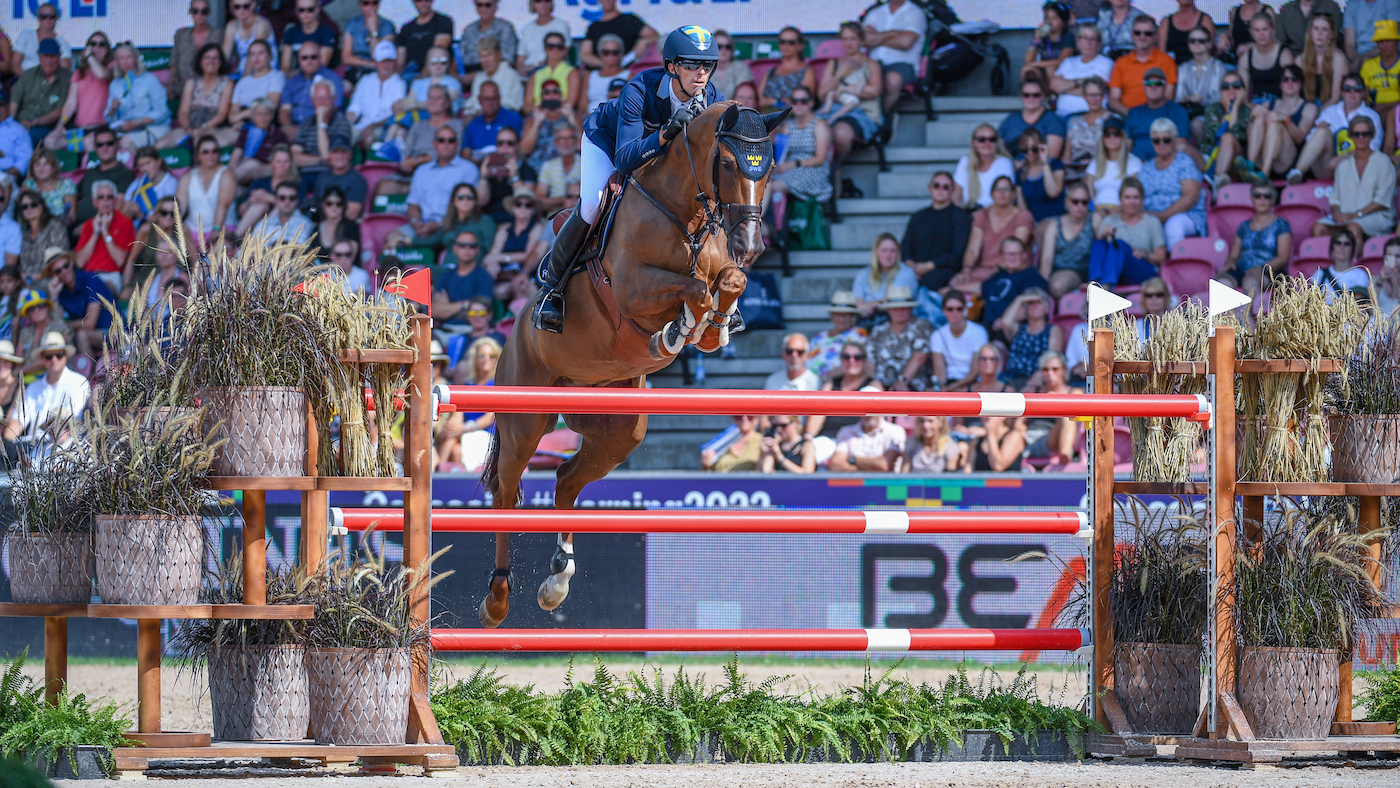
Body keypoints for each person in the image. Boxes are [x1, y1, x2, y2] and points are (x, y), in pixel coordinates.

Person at [535, 25, 724, 334]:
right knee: (593, 205)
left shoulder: (713, 98)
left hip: (657, 158)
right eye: (691, 65)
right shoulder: (639, 89)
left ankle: (724, 296)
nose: (701, 73)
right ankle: (552, 291)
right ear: (672, 66)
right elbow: (624, 158)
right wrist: (666, 133)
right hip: (607, 144)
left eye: (707, 65)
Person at [1311, 115, 1396, 242]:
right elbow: (1335, 199)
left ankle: (1356, 262)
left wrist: (1355, 215)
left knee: (1353, 228)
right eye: (1356, 134)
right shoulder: (1343, 165)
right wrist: (1335, 213)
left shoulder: (1384, 162)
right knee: (1317, 228)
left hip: (1377, 217)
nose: (1361, 138)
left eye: (1365, 134)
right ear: (1350, 136)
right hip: (1347, 217)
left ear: (1372, 135)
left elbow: (1381, 200)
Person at [1291, 72, 1382, 182]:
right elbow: (1310, 140)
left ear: (1363, 92)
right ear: (1342, 92)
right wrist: (1322, 131)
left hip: (1357, 168)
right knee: (1322, 131)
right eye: (1347, 88)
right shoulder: (1330, 112)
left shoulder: (1372, 116)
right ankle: (1297, 172)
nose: (1352, 92)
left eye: (1357, 88)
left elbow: (1373, 148)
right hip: (1327, 166)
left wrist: (1343, 157)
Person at [951, 176, 1034, 295]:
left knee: (961, 288)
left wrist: (992, 274)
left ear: (1013, 194)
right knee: (954, 284)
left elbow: (1015, 252)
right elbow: (973, 249)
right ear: (991, 194)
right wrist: (966, 270)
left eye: (1006, 189)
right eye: (997, 189)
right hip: (984, 269)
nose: (1002, 193)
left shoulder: (1023, 216)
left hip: (1012, 270)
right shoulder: (981, 215)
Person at [403, 125, 481, 243]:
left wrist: (439, 224)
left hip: (452, 225)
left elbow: (467, 205)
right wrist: (415, 222)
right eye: (441, 140)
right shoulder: (421, 171)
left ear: (457, 144)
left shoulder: (469, 169)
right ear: (434, 143)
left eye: (451, 140)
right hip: (421, 224)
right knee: (392, 237)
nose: (446, 144)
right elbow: (413, 203)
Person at [801, 340, 883, 449]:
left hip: (858, 440)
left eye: (857, 357)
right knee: (810, 450)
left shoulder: (873, 385)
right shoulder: (831, 383)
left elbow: (880, 419)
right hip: (828, 439)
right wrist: (808, 437)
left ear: (864, 360)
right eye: (846, 357)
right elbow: (818, 413)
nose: (851, 361)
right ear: (841, 360)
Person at [902, 171, 972, 294]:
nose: (940, 190)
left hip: (944, 271)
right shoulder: (918, 216)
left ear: (953, 190)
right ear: (930, 188)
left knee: (929, 282)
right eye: (936, 185)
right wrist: (910, 266)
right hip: (915, 270)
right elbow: (905, 245)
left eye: (945, 187)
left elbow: (958, 253)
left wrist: (929, 266)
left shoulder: (960, 216)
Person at [387, 182, 494, 261]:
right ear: (454, 201)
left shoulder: (484, 220)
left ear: (475, 201)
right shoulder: (449, 222)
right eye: (460, 197)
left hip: (473, 267)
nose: (465, 200)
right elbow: (431, 241)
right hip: (447, 267)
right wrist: (402, 239)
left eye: (470, 197)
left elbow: (486, 248)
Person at [1140, 117, 1205, 246]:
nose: (1161, 144)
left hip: (1185, 215)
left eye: (1166, 140)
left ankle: (1175, 264)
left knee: (1173, 225)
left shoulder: (1184, 162)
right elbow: (1139, 196)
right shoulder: (1146, 167)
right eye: (1156, 140)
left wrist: (1164, 216)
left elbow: (1191, 196)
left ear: (1175, 140)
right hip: (1153, 217)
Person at [1247, 65, 1317, 180]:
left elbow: (1299, 138)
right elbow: (1250, 132)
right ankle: (1250, 166)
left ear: (1301, 84)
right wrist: (1252, 116)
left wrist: (1285, 119)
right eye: (1285, 79)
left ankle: (1264, 174)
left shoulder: (1309, 108)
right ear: (1279, 84)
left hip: (1286, 161)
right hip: (1262, 157)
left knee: (1275, 124)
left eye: (1294, 79)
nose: (1290, 83)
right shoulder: (1268, 105)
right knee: (1258, 117)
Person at [158, 43, 234, 150]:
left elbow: (222, 114)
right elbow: (183, 112)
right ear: (200, 61)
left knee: (199, 143)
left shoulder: (227, 83)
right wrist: (188, 128)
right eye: (207, 58)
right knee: (160, 145)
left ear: (221, 62)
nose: (211, 62)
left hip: (213, 126)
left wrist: (203, 128)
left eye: (215, 58)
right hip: (190, 125)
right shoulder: (192, 82)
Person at [46, 31, 110, 152]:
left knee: (89, 143)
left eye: (102, 44)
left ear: (107, 49)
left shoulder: (111, 67)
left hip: (102, 129)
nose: (97, 47)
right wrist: (60, 125)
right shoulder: (79, 73)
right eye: (93, 44)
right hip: (80, 130)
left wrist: (89, 55)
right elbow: (71, 103)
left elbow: (101, 75)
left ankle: (89, 169)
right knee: (50, 141)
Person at [1224, 183, 1293, 295]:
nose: (1262, 199)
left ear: (1273, 199)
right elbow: (1233, 255)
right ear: (1252, 199)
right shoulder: (1244, 226)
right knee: (1222, 283)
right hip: (1242, 269)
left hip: (1270, 272)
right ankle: (1233, 313)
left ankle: (1251, 313)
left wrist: (1261, 269)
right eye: (1257, 195)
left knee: (1250, 283)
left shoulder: (1281, 224)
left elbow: (1283, 257)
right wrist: (1230, 262)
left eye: (1267, 196)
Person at [19, 331, 88, 444]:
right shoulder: (32, 388)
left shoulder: (79, 382)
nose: (54, 359)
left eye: (59, 355)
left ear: (65, 355)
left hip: (66, 447)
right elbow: (18, 420)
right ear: (42, 358)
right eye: (49, 356)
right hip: (33, 448)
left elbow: (71, 423)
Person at [769, 85, 832, 208]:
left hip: (813, 170)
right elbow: (783, 155)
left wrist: (794, 164)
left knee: (774, 186)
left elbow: (820, 159)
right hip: (790, 168)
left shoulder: (819, 124)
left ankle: (772, 224)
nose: (799, 104)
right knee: (763, 183)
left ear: (811, 103)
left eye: (804, 101)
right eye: (794, 101)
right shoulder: (788, 125)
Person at [42, 248, 110, 362]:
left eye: (66, 265)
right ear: (52, 275)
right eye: (58, 271)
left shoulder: (90, 280)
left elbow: (89, 323)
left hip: (115, 332)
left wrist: (66, 325)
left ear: (71, 263)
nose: (64, 271)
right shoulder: (61, 291)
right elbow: (56, 321)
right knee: (61, 338)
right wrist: (54, 296)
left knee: (81, 335)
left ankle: (88, 377)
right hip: (93, 334)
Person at [863, 0, 927, 116]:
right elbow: (864, 39)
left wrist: (877, 37)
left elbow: (905, 43)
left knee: (892, 80)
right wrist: (892, 33)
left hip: (903, 63)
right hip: (874, 62)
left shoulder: (915, 13)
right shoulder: (875, 13)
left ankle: (883, 119)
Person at [104, 44, 171, 153]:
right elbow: (109, 118)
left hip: (153, 128)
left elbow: (162, 112)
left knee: (125, 143)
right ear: (117, 62)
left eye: (129, 57)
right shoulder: (115, 84)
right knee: (106, 143)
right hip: (126, 131)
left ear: (135, 59)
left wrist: (136, 123)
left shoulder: (150, 79)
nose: (125, 61)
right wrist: (113, 109)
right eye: (122, 58)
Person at [1097, 177, 1167, 279]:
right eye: (1127, 197)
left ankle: (1105, 286)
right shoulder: (1110, 221)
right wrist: (1102, 236)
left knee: (1120, 245)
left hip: (1142, 270)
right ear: (1120, 199)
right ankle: (1095, 282)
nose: (1131, 202)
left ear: (1142, 199)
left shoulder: (1152, 222)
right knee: (1098, 244)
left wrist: (1145, 254)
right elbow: (1100, 253)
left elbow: (1161, 257)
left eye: (1136, 197)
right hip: (1118, 273)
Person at [866, 286, 932, 391]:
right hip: (881, 386)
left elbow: (920, 356)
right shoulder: (879, 330)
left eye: (903, 307)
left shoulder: (921, 326)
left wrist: (903, 381)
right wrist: (873, 381)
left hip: (912, 386)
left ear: (910, 308)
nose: (899, 311)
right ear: (888, 309)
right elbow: (870, 360)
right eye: (895, 308)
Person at [1109, 15, 1178, 115]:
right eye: (1138, 33)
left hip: (1158, 116)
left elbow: (1168, 96)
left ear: (1155, 36)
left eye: (1147, 33)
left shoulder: (1166, 61)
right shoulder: (1121, 62)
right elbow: (1113, 99)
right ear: (1132, 35)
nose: (1142, 37)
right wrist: (1131, 115)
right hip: (1127, 116)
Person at [1040, 182, 1098, 298]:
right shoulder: (1054, 225)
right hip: (1058, 271)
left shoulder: (1094, 220)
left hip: (1082, 272)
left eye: (1084, 202)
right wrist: (1043, 287)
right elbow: (1046, 259)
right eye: (1075, 201)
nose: (1080, 206)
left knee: (1058, 285)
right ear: (1067, 201)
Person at [73, 180, 132, 293]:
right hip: (88, 275)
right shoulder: (88, 225)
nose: (105, 201)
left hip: (111, 276)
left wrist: (105, 232)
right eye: (101, 197)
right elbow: (80, 263)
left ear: (115, 201)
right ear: (95, 202)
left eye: (109, 197)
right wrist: (96, 232)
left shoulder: (125, 222)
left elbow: (120, 261)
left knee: (100, 290)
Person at [1022, 350, 1082, 460]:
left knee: (1067, 417)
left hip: (1055, 438)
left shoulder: (1074, 392)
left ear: (1064, 370)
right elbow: (1019, 423)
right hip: (1031, 438)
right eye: (1045, 369)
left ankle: (1065, 454)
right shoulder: (1035, 392)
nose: (1050, 373)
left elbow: (1078, 420)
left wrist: (1057, 402)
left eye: (1055, 369)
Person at [999, 288, 1064, 387]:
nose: (1034, 306)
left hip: (1037, 380)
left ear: (1046, 309)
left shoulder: (1053, 330)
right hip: (1011, 379)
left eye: (1039, 302)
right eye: (1030, 303)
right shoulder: (1018, 328)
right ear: (1025, 309)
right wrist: (1020, 299)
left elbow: (1053, 357)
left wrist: (1040, 374)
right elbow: (1005, 322)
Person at [1125, 67, 1193, 162]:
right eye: (1149, 83)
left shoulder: (1178, 111)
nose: (1153, 87)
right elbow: (1127, 146)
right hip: (1137, 166)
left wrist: (1153, 165)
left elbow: (1180, 147)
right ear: (1143, 87)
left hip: (1167, 164)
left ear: (1165, 87)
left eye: (1158, 83)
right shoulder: (1134, 113)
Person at [11, 38, 69, 149]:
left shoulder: (67, 78)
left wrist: (34, 122)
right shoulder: (27, 75)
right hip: (21, 123)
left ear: (59, 56)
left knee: (26, 137)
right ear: (39, 56)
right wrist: (10, 126)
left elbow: (61, 110)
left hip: (47, 126)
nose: (49, 60)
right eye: (45, 56)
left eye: (53, 56)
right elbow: (14, 104)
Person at [432, 228, 496, 329]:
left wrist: (447, 307)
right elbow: (434, 311)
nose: (467, 249)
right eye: (462, 245)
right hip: (444, 330)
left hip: (472, 331)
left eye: (472, 246)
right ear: (455, 249)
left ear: (477, 250)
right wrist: (464, 304)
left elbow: (479, 315)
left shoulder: (484, 277)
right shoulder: (445, 277)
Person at [279, 41, 343, 140]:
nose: (309, 61)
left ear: (320, 58)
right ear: (299, 60)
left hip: (318, 127)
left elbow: (333, 108)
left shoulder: (332, 78)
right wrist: (288, 127)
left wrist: (309, 128)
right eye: (304, 58)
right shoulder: (292, 81)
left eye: (313, 57)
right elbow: (284, 109)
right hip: (293, 127)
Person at [176, 134, 236, 237]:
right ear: (198, 155)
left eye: (214, 151)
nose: (210, 155)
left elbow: (223, 204)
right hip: (192, 232)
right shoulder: (188, 176)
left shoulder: (227, 174)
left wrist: (216, 230)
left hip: (222, 230)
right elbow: (179, 207)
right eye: (205, 152)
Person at [291, 81, 354, 177]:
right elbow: (294, 158)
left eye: (326, 98)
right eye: (318, 99)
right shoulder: (306, 123)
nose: (322, 102)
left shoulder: (342, 123)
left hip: (331, 175)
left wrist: (321, 123)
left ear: (334, 99)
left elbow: (328, 156)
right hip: (304, 175)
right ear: (312, 100)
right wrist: (320, 159)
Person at [484, 186, 545, 284]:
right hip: (503, 272)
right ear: (513, 207)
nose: (523, 208)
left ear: (533, 209)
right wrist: (493, 264)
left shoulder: (537, 228)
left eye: (528, 205)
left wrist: (502, 258)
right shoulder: (505, 228)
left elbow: (529, 255)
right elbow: (493, 254)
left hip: (524, 273)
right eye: (518, 204)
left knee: (502, 291)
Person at [1202, 72, 1254, 188]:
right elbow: (1215, 136)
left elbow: (1238, 135)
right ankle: (1218, 180)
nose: (1231, 89)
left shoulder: (1248, 111)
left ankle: (1216, 184)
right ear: (1221, 90)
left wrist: (1234, 108)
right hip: (1212, 157)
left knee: (1228, 137)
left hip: (1238, 162)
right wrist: (1227, 111)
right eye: (1226, 86)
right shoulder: (1213, 108)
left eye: (1236, 85)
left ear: (1243, 90)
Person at [931, 290, 990, 389]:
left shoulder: (979, 332)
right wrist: (942, 388)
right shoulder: (937, 335)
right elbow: (939, 372)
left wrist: (954, 387)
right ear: (943, 310)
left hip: (974, 383)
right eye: (950, 309)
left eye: (959, 309)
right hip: (949, 382)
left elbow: (975, 371)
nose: (955, 313)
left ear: (965, 309)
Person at [1051, 24, 1114, 117]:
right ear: (1078, 41)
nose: (1088, 42)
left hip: (1089, 114)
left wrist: (1064, 89)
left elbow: (1095, 90)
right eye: (1085, 38)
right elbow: (1053, 85)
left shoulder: (1105, 62)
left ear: (1098, 43)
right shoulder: (1069, 61)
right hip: (1061, 114)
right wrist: (1080, 82)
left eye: (1093, 38)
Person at [235, 144, 298, 237]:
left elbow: (298, 209)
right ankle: (235, 237)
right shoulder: (260, 182)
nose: (282, 165)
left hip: (280, 228)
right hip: (253, 224)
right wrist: (250, 202)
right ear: (272, 162)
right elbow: (241, 210)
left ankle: (255, 241)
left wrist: (272, 199)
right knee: (260, 205)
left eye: (286, 162)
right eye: (278, 162)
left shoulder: (297, 184)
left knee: (277, 207)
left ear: (291, 163)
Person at [73, 126, 131, 225]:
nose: (105, 148)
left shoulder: (125, 173)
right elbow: (74, 194)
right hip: (76, 225)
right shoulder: (91, 172)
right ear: (96, 148)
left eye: (109, 143)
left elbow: (118, 209)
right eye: (100, 145)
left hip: (101, 227)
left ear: (117, 145)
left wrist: (90, 227)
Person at [1000, 74, 1066, 160]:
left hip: (1038, 169)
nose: (1031, 98)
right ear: (1021, 96)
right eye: (1026, 95)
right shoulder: (1011, 119)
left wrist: (1022, 165)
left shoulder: (1053, 120)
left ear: (1043, 96)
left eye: (1036, 95)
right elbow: (998, 147)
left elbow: (1052, 156)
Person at [854, 233, 919, 319]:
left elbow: (890, 301)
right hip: (866, 321)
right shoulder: (863, 273)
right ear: (876, 252)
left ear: (898, 253)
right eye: (884, 250)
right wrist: (875, 304)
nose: (888, 255)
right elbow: (857, 304)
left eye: (893, 251)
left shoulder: (906, 272)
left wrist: (867, 305)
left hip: (896, 320)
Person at [1175, 22, 1229, 127]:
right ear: (1188, 44)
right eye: (1192, 41)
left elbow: (1219, 98)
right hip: (1188, 112)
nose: (1196, 43)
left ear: (1209, 44)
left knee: (1197, 124)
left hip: (1212, 113)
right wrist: (1188, 98)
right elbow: (1178, 97)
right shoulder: (1183, 68)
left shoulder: (1218, 67)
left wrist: (1201, 99)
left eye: (1201, 41)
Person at [806, 291, 868, 380]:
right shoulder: (819, 337)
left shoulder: (858, 334)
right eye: (838, 314)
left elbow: (858, 364)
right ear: (832, 315)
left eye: (846, 315)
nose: (841, 318)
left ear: (853, 316)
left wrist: (825, 378)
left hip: (836, 384)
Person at [952, 123, 1016, 209]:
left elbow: (1006, 197)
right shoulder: (965, 162)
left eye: (992, 139)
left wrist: (981, 216)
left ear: (996, 143)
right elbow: (956, 196)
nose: (987, 143)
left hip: (995, 215)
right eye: (982, 139)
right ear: (974, 143)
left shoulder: (1004, 163)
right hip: (967, 213)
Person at [579, 0, 657, 70]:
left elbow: (654, 36)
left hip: (628, 71)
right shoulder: (594, 27)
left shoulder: (630, 20)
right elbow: (585, 55)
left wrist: (644, 42)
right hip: (601, 73)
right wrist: (608, 64)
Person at [227, 99, 287, 185]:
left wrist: (255, 164)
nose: (262, 118)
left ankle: (224, 185)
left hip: (266, 170)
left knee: (251, 164)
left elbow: (281, 162)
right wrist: (230, 170)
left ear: (272, 115)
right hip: (244, 172)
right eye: (258, 114)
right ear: (253, 116)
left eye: (266, 114)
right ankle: (226, 184)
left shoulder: (278, 135)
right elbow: (235, 157)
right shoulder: (246, 131)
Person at [758, 26, 818, 111]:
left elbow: (804, 102)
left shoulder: (807, 71)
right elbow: (759, 101)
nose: (786, 46)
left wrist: (771, 101)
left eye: (791, 42)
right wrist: (779, 101)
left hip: (791, 118)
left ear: (800, 46)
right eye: (782, 42)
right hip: (766, 117)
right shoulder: (770, 71)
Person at [521, 79, 576, 170]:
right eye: (546, 92)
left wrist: (571, 117)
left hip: (565, 168)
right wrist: (537, 123)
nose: (551, 95)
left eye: (555, 91)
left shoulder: (572, 115)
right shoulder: (532, 119)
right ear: (542, 96)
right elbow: (525, 150)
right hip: (537, 167)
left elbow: (581, 147)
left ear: (560, 95)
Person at [1239, 13, 1294, 103]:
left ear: (1273, 30)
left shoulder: (1284, 55)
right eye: (1257, 30)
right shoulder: (1245, 58)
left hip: (1280, 105)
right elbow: (1243, 95)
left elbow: (1292, 89)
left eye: (1265, 29)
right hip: (1256, 106)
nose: (1261, 34)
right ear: (1252, 33)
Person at [1015, 128, 1066, 227]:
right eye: (1025, 149)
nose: (1030, 153)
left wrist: (1045, 163)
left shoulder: (1055, 164)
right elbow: (1022, 209)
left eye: (1034, 149)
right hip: (1034, 224)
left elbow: (1053, 192)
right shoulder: (1020, 173)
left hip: (1056, 221)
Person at [229, 40, 284, 130]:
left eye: (261, 53)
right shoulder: (242, 82)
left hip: (264, 126)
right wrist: (239, 121)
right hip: (241, 126)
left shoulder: (277, 76)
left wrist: (241, 115)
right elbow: (231, 117)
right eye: (253, 54)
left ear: (270, 56)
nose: (256, 58)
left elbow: (271, 106)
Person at [1362, 21, 1400, 150]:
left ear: (1397, 41)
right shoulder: (1369, 65)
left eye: (1389, 41)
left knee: (1390, 115)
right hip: (1373, 111)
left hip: (1396, 112)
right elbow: (1364, 95)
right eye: (1381, 41)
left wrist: (1385, 107)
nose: (1385, 45)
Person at [1063, 77, 1111, 179]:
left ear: (1103, 95)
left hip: (1101, 173)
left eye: (1097, 95)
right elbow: (1067, 152)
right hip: (1074, 173)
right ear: (1084, 96)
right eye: (1090, 95)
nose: (1094, 99)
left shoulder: (1111, 119)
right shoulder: (1074, 121)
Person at [14, 291, 71, 376]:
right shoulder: (25, 332)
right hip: (26, 379)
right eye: (32, 308)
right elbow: (18, 360)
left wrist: (21, 370)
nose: (37, 310)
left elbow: (56, 358)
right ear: (28, 313)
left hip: (53, 376)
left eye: (41, 306)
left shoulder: (60, 327)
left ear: (48, 307)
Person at [462, 37, 523, 117]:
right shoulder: (479, 77)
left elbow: (514, 105)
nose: (486, 61)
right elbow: (472, 103)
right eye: (482, 56)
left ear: (499, 55)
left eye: (489, 55)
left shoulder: (511, 75)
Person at [15, 188, 66, 282]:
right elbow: (21, 265)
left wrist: (37, 277)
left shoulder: (55, 225)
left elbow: (59, 256)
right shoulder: (25, 234)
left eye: (33, 205)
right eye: (24, 207)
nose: (29, 209)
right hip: (27, 285)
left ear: (42, 206)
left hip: (52, 280)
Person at [463, 81, 524, 158]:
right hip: (477, 167)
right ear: (479, 100)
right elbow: (466, 155)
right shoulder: (473, 124)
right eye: (486, 99)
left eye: (493, 99)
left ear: (499, 98)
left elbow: (519, 150)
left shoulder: (513, 118)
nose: (490, 104)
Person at [340, 0, 396, 83]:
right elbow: (346, 58)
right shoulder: (352, 24)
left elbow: (377, 56)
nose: (371, 7)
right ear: (360, 5)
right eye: (366, 3)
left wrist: (374, 31)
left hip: (378, 72)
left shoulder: (387, 26)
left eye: (374, 3)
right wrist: (370, 64)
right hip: (356, 70)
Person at [524, 33, 580, 116]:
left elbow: (571, 104)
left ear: (564, 49)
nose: (555, 49)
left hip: (563, 116)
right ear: (545, 49)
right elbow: (526, 107)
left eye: (559, 46)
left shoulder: (572, 73)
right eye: (550, 46)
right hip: (538, 116)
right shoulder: (536, 75)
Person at [396, 0, 454, 79]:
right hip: (409, 73)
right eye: (419, 0)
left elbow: (438, 51)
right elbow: (400, 62)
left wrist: (423, 75)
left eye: (427, 0)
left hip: (436, 74)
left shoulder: (443, 21)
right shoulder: (406, 28)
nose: (423, 4)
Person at [830, 412, 906, 473]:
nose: (869, 413)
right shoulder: (845, 431)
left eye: (873, 409)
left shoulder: (895, 430)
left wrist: (853, 459)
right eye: (865, 408)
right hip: (853, 487)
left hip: (887, 487)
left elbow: (884, 465)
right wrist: (872, 469)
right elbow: (836, 465)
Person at [1301, 13, 1348, 108]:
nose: (1319, 33)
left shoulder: (1338, 58)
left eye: (1324, 29)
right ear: (1310, 32)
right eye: (1316, 28)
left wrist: (1318, 115)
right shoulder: (1301, 59)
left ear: (1331, 35)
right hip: (1308, 110)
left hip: (1332, 109)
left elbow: (1336, 98)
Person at [459, 0, 517, 77]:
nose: (483, 9)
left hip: (495, 75)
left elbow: (506, 60)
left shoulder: (505, 28)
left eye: (488, 5)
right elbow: (459, 56)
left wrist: (477, 76)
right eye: (479, 5)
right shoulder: (469, 29)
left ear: (495, 6)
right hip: (467, 72)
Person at [223, 0, 278, 78]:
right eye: (237, 7)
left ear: (253, 5)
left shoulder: (261, 24)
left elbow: (254, 54)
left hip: (265, 74)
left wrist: (243, 82)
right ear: (231, 6)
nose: (241, 10)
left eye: (246, 6)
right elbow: (224, 56)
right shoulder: (232, 25)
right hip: (242, 73)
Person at [1024, 2, 1077, 82]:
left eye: (1054, 18)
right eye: (1047, 18)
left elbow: (1061, 61)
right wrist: (1036, 39)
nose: (1049, 22)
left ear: (1063, 21)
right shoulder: (1043, 37)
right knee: (1026, 69)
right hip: (1044, 70)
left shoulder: (1068, 36)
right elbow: (1028, 60)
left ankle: (1053, 94)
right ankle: (1034, 94)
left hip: (1065, 72)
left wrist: (1037, 64)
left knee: (1051, 69)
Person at [11, 4, 71, 74]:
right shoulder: (26, 36)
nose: (48, 19)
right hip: (24, 79)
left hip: (51, 82)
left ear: (57, 18)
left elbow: (65, 69)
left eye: (52, 16)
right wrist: (27, 82)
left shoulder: (62, 43)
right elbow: (14, 64)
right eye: (44, 16)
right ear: (39, 18)